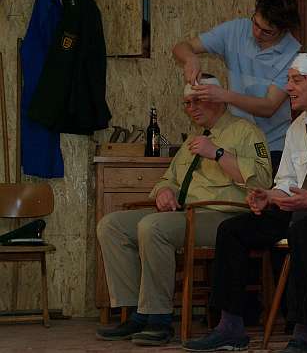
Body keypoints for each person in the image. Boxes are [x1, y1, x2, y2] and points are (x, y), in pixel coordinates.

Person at [182, 49, 307, 353]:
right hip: (305, 210)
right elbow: (286, 184)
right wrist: (268, 196)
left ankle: (303, 332)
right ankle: (230, 326)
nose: (288, 87)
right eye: (289, 79)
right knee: (232, 229)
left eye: (296, 80)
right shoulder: (297, 128)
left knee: (305, 230)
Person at [95, 76, 272, 346]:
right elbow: (169, 179)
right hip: (186, 214)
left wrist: (219, 154)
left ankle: (158, 319)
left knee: (154, 227)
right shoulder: (194, 138)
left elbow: (262, 182)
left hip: (224, 217)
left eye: (197, 100)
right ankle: (135, 314)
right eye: (187, 103)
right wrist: (164, 192)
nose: (191, 108)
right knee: (112, 225)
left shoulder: (246, 132)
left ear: (217, 99)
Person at [172, 0, 302, 172]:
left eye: (267, 31)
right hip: (234, 142)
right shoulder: (236, 30)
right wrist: (190, 58)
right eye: (255, 23)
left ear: (283, 30)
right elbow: (181, 47)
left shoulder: (294, 54)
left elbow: (268, 106)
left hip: (271, 147)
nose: (257, 33)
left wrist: (224, 96)